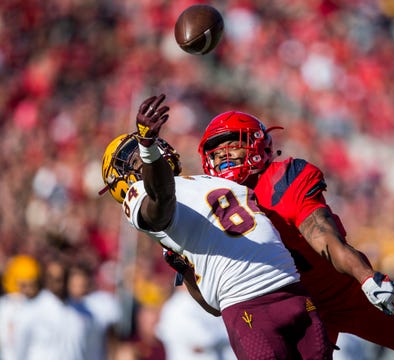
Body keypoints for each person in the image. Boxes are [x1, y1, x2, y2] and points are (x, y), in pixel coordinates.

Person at [195, 110, 394, 360]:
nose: (224, 155)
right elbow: (213, 303)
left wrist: (366, 277)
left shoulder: (283, 179)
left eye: (232, 145)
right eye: (217, 151)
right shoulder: (208, 204)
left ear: (257, 144)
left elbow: (323, 235)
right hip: (289, 304)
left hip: (343, 292)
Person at [100, 93, 334, 360]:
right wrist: (147, 148)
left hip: (290, 287)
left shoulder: (203, 180)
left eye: (142, 152)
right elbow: (160, 202)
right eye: (133, 161)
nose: (143, 160)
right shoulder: (140, 196)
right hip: (248, 301)